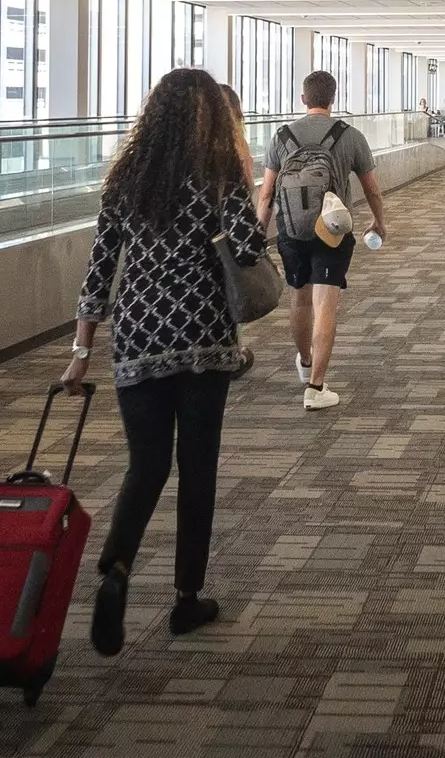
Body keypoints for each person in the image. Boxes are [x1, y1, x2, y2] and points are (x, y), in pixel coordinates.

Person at [60, 67, 264, 652]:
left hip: (138, 338)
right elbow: (249, 248)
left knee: (145, 465)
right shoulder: (219, 174)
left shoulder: (126, 179)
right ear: (210, 116)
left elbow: (99, 270)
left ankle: (117, 570)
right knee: (197, 469)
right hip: (203, 335)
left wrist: (81, 352)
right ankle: (185, 600)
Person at [257, 69, 387, 412]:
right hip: (332, 230)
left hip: (290, 230)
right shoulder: (351, 136)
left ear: (304, 99)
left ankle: (304, 360)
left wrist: (260, 231)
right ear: (333, 99)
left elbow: (266, 193)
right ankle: (316, 387)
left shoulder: (281, 137)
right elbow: (371, 188)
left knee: (298, 300)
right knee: (325, 303)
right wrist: (379, 221)